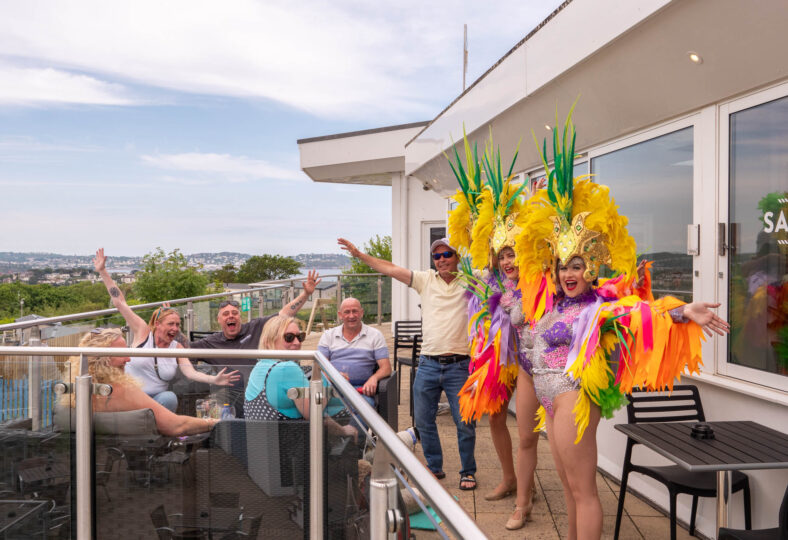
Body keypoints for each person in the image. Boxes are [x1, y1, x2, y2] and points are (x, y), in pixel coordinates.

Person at [513, 114, 729, 540]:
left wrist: (684, 311)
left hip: (573, 396)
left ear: (590, 269)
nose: (568, 274)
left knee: (585, 491)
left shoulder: (599, 306)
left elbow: (640, 312)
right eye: (562, 267)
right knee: (570, 491)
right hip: (548, 398)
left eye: (576, 266)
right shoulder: (554, 306)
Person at [445, 138, 539, 527]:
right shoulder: (485, 283)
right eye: (504, 254)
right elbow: (472, 303)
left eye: (514, 252)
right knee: (497, 420)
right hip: (498, 360)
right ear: (495, 258)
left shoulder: (537, 282)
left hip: (532, 359)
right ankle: (510, 479)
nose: (510, 260)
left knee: (527, 430)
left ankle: (525, 498)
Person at [338, 236, 477, 491]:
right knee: (423, 421)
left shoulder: (471, 281)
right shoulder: (425, 279)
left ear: (457, 257)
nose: (442, 260)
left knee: (465, 423)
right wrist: (359, 255)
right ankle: (434, 468)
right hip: (428, 364)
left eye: (447, 255)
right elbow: (389, 268)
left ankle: (468, 471)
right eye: (437, 256)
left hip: (460, 365)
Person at [94, 248, 240, 412]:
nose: (175, 328)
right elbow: (120, 303)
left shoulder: (176, 348)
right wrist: (103, 271)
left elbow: (191, 373)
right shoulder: (143, 333)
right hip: (130, 394)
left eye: (178, 324)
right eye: (170, 324)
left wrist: (214, 380)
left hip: (158, 401)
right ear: (157, 324)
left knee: (169, 398)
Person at [190, 269, 321, 417]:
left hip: (262, 390)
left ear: (240, 317)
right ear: (219, 320)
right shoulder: (211, 342)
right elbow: (182, 351)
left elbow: (284, 315)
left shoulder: (255, 327)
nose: (230, 316)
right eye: (225, 314)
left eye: (234, 313)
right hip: (230, 395)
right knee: (213, 407)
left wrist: (306, 294)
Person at [62, 328, 217, 436]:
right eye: (122, 353)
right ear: (102, 358)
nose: (128, 359)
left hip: (92, 463)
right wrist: (213, 423)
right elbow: (177, 426)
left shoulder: (76, 392)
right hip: (143, 455)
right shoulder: (122, 391)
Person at [243, 315, 357, 441]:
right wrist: (328, 379)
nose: (297, 343)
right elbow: (314, 413)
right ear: (268, 341)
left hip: (264, 450)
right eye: (289, 337)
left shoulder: (260, 366)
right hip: (293, 452)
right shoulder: (287, 368)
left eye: (300, 337)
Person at [317, 297, 392, 408]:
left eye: (355, 311)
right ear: (340, 315)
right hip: (332, 389)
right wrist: (335, 377)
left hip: (361, 390)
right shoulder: (328, 335)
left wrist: (373, 378)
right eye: (347, 312)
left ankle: (348, 426)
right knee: (319, 409)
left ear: (361, 313)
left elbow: (386, 368)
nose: (351, 316)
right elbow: (320, 366)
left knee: (363, 409)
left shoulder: (375, 335)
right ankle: (343, 426)